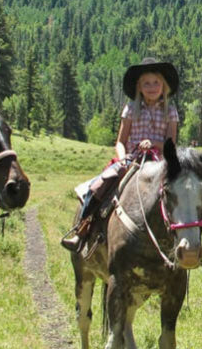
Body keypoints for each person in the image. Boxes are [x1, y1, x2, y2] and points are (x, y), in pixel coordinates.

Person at [61, 57, 179, 251]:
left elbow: (171, 144)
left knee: (183, 191)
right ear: (139, 87)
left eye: (156, 83)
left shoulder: (171, 111)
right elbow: (120, 142)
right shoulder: (131, 108)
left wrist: (154, 144)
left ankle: (183, 240)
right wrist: (123, 157)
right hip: (131, 159)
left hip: (160, 160)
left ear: (163, 86)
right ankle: (82, 229)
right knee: (99, 186)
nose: (152, 87)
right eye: (146, 83)